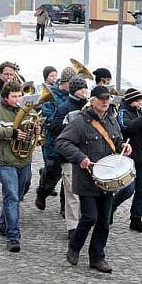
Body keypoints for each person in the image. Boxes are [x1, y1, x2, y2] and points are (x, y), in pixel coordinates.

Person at [57, 85, 131, 274]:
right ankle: (74, 246)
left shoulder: (112, 120)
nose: (105, 101)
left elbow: (116, 141)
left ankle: (97, 257)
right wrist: (80, 157)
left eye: (108, 99)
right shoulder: (80, 122)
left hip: (107, 178)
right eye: (101, 98)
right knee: (90, 217)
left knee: (104, 220)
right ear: (92, 100)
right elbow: (62, 142)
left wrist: (123, 146)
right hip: (87, 178)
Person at [0, 82, 35, 253]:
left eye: (19, 95)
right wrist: (11, 133)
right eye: (14, 96)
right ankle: (13, 236)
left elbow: (36, 128)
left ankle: (3, 223)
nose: (17, 99)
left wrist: (37, 130)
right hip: (5, 161)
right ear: (6, 98)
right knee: (12, 196)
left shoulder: (29, 110)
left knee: (17, 195)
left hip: (24, 160)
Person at [112, 88, 142, 233]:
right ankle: (111, 206)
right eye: (138, 101)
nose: (140, 103)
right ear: (131, 100)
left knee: (141, 191)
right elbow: (127, 128)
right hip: (130, 158)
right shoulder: (123, 112)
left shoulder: (141, 112)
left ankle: (136, 219)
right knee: (128, 190)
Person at [51, 76, 89, 238]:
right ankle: (72, 226)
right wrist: (67, 124)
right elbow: (54, 129)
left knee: (86, 191)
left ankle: (84, 220)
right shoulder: (64, 107)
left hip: (87, 154)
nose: (84, 91)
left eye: (85, 88)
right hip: (68, 156)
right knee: (72, 192)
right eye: (81, 88)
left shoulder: (89, 107)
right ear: (74, 90)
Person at [36, 66, 73, 211]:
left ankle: (66, 208)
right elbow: (47, 119)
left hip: (70, 144)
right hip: (53, 142)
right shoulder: (50, 95)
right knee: (53, 173)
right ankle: (42, 192)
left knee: (69, 177)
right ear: (66, 82)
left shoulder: (75, 97)